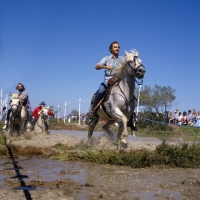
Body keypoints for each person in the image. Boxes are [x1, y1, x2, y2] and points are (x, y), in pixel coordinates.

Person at [86, 41, 124, 124]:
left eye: (118, 47)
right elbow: (96, 66)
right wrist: (105, 66)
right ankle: (93, 112)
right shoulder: (106, 58)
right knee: (100, 91)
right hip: (108, 81)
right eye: (115, 47)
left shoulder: (122, 59)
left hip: (119, 81)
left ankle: (131, 117)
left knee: (129, 93)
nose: (117, 48)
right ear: (111, 49)